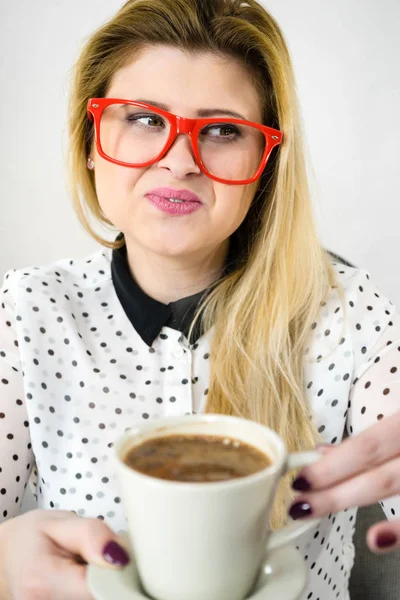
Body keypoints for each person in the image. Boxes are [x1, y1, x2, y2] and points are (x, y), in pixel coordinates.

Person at [0, 0, 399, 598]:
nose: (180, 162)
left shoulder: (348, 310)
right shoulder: (26, 309)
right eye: (142, 119)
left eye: (221, 131)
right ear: (90, 141)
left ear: (265, 165)